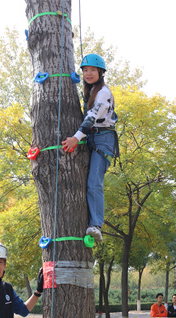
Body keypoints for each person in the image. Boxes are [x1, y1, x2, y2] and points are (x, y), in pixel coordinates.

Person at [61, 53, 118, 244]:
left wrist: (76, 139)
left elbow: (91, 118)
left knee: (94, 182)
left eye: (93, 70)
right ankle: (94, 221)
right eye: (85, 70)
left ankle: (96, 225)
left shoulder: (102, 93)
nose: (88, 73)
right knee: (88, 181)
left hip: (103, 140)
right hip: (94, 138)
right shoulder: (91, 90)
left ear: (101, 72)